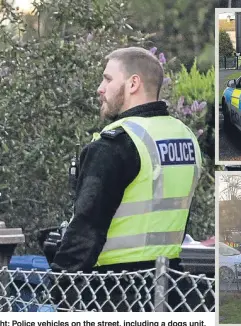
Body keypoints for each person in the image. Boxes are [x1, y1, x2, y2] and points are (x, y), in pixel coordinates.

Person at [49, 47, 203, 312]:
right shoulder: (186, 137)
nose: (100, 88)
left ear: (133, 83)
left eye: (108, 79)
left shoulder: (115, 145)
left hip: (113, 290)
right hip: (169, 288)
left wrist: (59, 288)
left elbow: (87, 227)